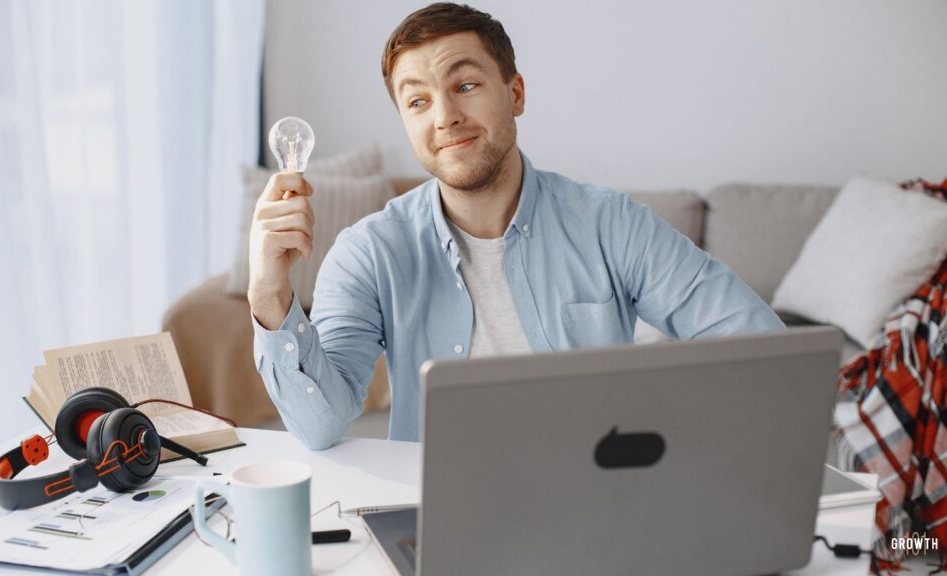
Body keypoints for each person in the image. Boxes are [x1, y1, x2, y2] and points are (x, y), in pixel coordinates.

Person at [247, 3, 784, 450]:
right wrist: (270, 291)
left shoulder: (610, 224)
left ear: (516, 93)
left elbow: (762, 351)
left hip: (595, 501)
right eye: (418, 101)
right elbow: (321, 426)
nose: (444, 117)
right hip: (439, 508)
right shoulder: (369, 252)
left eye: (465, 84)